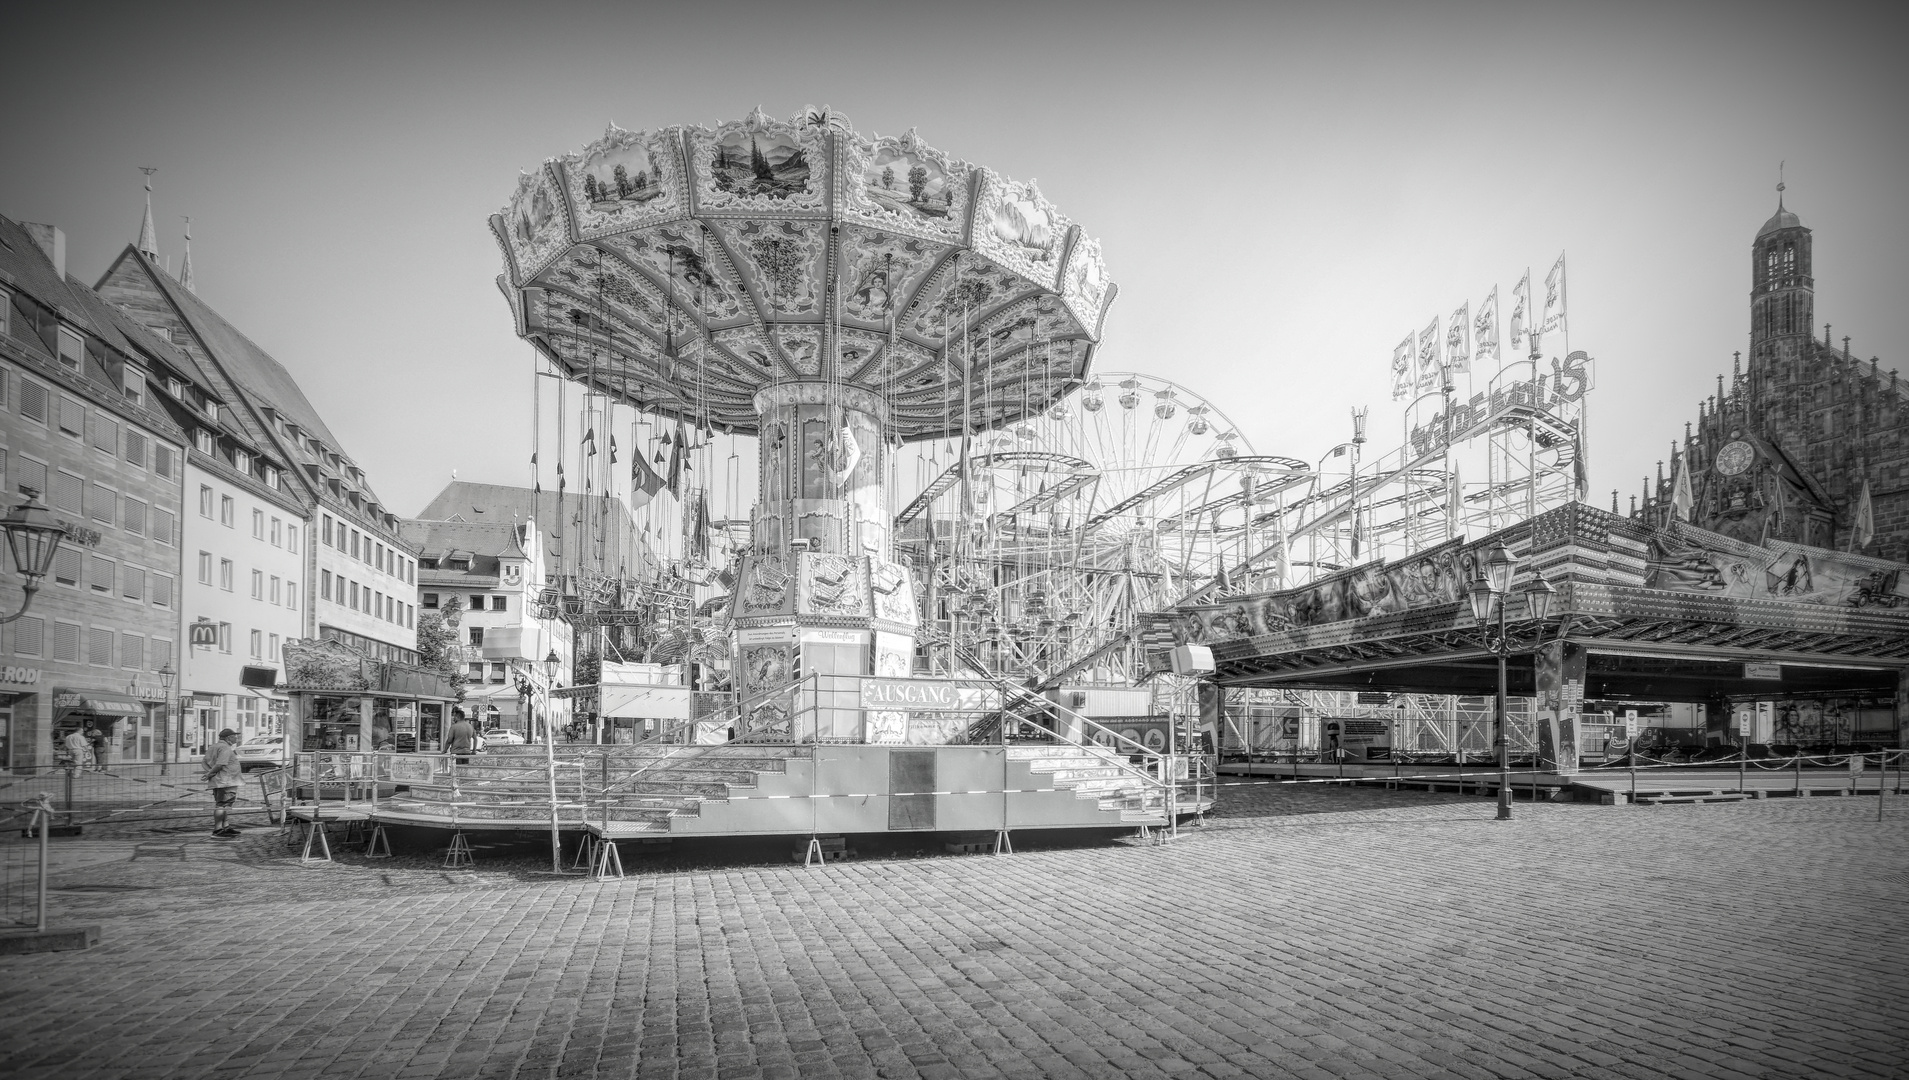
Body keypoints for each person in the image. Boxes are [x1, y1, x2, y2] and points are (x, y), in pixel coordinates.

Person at [203, 728, 244, 839]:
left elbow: (204, 762)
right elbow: (220, 764)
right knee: (221, 804)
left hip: (220, 780)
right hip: (226, 780)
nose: (236, 737)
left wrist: (210, 773)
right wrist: (210, 773)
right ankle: (218, 829)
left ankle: (225, 827)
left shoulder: (213, 747)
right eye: (234, 736)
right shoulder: (225, 748)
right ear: (228, 738)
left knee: (224, 804)